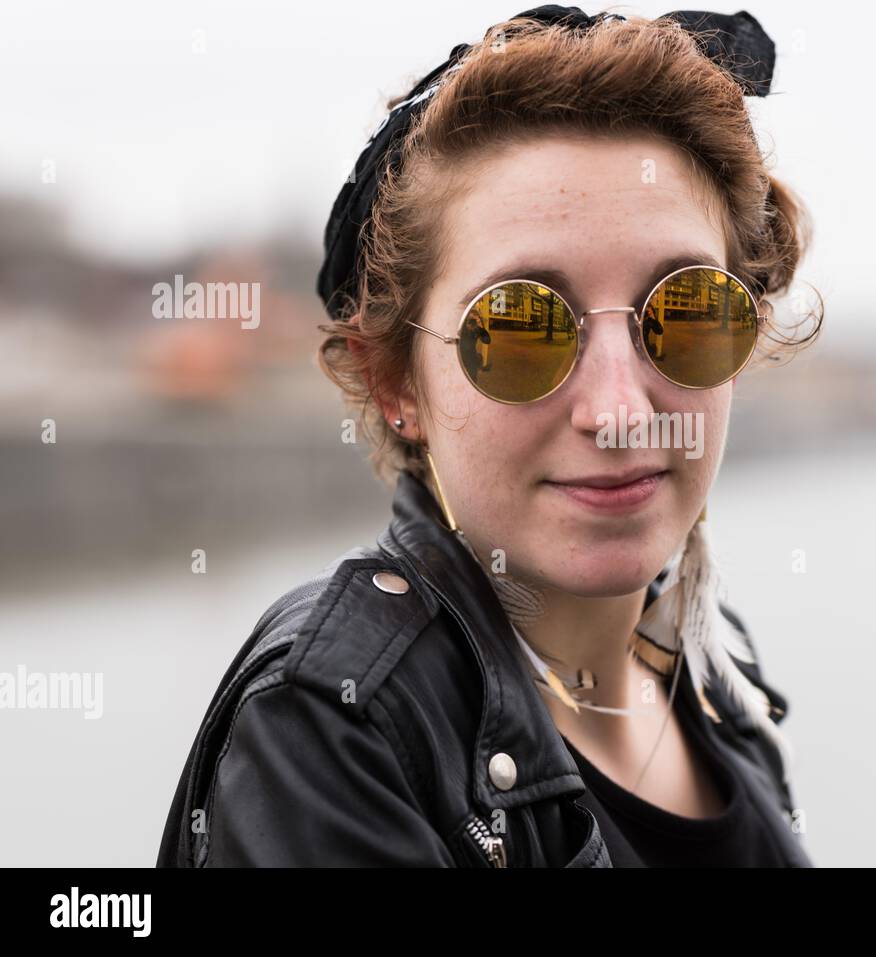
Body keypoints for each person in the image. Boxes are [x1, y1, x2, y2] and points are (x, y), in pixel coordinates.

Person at [157, 5, 822, 868]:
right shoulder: (335, 725)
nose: (620, 409)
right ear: (398, 380)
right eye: (522, 327)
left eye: (686, 312)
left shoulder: (717, 667)